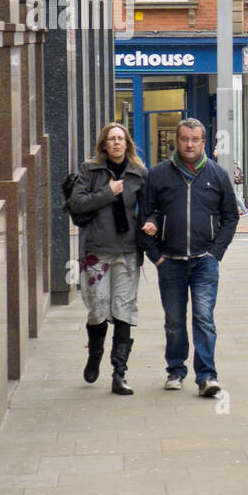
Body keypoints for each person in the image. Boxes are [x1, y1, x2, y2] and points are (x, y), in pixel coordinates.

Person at [139, 118, 240, 396]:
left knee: (204, 317)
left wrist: (216, 251)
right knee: (173, 320)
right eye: (184, 139)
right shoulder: (158, 174)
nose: (189, 144)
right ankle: (175, 369)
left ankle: (207, 376)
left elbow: (231, 216)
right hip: (169, 261)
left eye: (195, 139)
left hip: (204, 260)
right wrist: (155, 256)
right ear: (177, 140)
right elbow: (144, 215)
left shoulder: (217, 175)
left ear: (204, 142)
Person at [67, 123, 149, 395]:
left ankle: (119, 374)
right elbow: (76, 204)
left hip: (127, 252)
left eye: (121, 139)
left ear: (127, 143)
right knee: (98, 309)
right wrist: (108, 192)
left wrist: (152, 224)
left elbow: (151, 208)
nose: (116, 143)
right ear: (103, 144)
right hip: (96, 252)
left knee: (123, 310)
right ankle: (95, 352)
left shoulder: (139, 173)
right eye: (111, 139)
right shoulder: (89, 170)